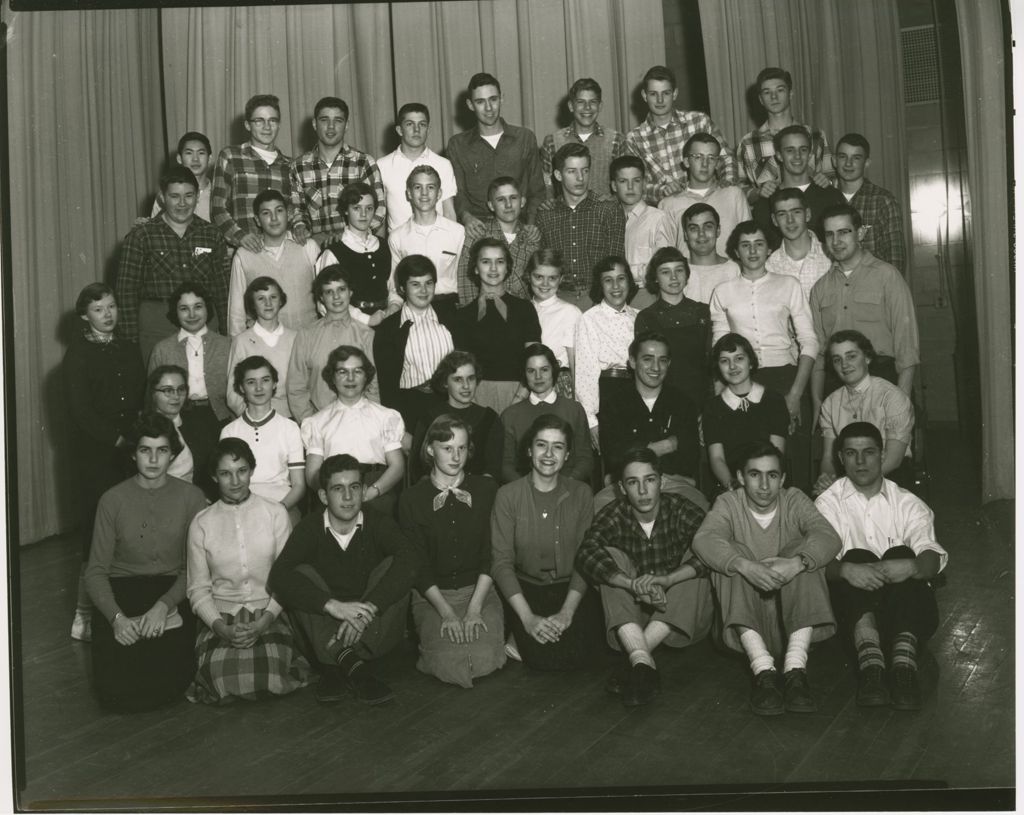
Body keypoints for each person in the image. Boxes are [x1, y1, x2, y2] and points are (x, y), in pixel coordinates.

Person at [693, 441, 841, 716]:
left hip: (794, 627)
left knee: (805, 551)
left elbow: (829, 537)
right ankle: (764, 673)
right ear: (739, 477)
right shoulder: (728, 502)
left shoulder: (794, 499)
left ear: (782, 479)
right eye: (754, 474)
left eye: (772, 475)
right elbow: (703, 540)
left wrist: (796, 563)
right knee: (730, 554)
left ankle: (796, 671)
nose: (764, 485)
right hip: (744, 628)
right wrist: (744, 565)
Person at [816, 422, 946, 710]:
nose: (860, 461)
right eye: (851, 453)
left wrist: (911, 566)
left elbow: (932, 559)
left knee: (902, 552)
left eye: (869, 452)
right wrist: (845, 570)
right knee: (855, 557)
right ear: (840, 458)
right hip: (853, 616)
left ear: (882, 454)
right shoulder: (827, 504)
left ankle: (903, 667)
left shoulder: (908, 503)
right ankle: (871, 669)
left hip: (904, 612)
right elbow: (816, 563)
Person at [268, 454, 417, 706]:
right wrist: (333, 606)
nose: (348, 497)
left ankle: (336, 663)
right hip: (326, 624)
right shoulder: (309, 527)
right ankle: (355, 668)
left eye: (354, 487)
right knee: (299, 574)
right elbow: (279, 577)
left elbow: (410, 561)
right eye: (338, 489)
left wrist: (368, 608)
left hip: (370, 630)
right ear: (324, 496)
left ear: (363, 491)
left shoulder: (378, 522)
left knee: (396, 565)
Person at [84, 413, 208, 712]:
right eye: (145, 450)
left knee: (169, 685)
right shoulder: (112, 500)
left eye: (162, 450)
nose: (153, 459)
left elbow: (192, 567)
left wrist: (163, 606)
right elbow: (95, 572)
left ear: (172, 454)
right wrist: (117, 619)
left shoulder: (192, 497)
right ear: (132, 453)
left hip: (172, 592)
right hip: (122, 591)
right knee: (115, 693)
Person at [575, 448, 713, 707]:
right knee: (609, 559)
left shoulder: (681, 508)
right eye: (633, 482)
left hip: (682, 617)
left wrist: (670, 580)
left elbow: (716, 548)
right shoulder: (614, 513)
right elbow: (587, 553)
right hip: (633, 615)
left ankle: (636, 658)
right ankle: (642, 664)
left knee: (697, 558)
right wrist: (629, 583)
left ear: (661, 481)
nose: (642, 490)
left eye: (649, 480)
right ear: (621, 488)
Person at [185, 438, 309, 704]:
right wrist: (220, 629)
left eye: (242, 470)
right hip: (220, 616)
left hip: (269, 613)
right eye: (225, 473)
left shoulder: (275, 514)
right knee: (220, 677)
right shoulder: (201, 523)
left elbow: (286, 580)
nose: (235, 480)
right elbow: (197, 589)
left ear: (252, 470)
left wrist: (263, 622)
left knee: (271, 674)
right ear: (213, 476)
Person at [64, 283, 147, 642]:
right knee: (98, 531)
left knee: (131, 527)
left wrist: (136, 439)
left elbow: (141, 393)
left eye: (111, 307)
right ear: (85, 315)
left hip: (130, 447)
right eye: (99, 309)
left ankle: (129, 604)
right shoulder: (77, 354)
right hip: (97, 452)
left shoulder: (128, 346)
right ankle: (84, 614)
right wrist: (117, 440)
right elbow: (81, 412)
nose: (108, 314)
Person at [711, 221, 818, 491]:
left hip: (785, 377)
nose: (753, 251)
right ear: (736, 251)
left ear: (769, 248)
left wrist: (795, 395)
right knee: (751, 461)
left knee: (791, 457)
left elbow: (809, 341)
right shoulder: (723, 291)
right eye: (745, 245)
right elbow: (720, 347)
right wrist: (719, 395)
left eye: (759, 244)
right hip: (743, 380)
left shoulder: (788, 285)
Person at [399, 416, 505, 688]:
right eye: (447, 448)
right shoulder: (411, 499)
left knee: (482, 660)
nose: (456, 456)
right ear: (430, 449)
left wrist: (474, 609)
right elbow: (417, 565)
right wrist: (446, 613)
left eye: (462, 448)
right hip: (433, 595)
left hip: (480, 591)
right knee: (450, 664)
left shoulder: (487, 489)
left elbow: (492, 554)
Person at [491, 415, 605, 670]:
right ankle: (519, 634)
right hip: (525, 591)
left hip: (570, 590)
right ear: (529, 450)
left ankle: (520, 640)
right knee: (545, 660)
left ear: (567, 455)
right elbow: (501, 563)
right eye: (542, 445)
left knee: (585, 657)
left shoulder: (582, 493)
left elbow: (586, 558)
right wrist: (528, 618)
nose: (548, 454)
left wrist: (567, 613)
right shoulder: (507, 495)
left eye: (558, 446)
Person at [116, 165, 229, 359]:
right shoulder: (142, 236)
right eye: (175, 196)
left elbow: (222, 290)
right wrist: (130, 340)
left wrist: (227, 332)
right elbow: (126, 291)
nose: (182, 203)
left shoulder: (213, 235)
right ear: (162, 197)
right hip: (157, 328)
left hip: (204, 326)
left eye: (189, 196)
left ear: (198, 197)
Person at [810, 204, 919, 402]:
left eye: (844, 232)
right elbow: (818, 354)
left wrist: (901, 401)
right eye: (829, 234)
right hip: (837, 386)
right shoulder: (820, 288)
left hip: (882, 378)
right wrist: (818, 403)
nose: (836, 241)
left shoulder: (887, 276)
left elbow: (907, 347)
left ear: (860, 233)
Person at [596, 332, 703, 513]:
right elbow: (614, 456)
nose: (656, 367)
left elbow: (690, 456)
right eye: (647, 359)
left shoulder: (684, 403)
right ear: (632, 361)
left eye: (662, 360)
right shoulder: (614, 404)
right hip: (628, 484)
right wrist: (668, 444)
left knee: (702, 511)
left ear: (668, 363)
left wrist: (636, 450)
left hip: (674, 484)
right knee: (597, 508)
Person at [300, 345, 405, 516]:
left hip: (375, 488)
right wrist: (333, 495)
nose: (350, 378)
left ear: (366, 377)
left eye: (357, 371)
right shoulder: (317, 422)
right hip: (334, 490)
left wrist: (372, 491)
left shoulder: (385, 417)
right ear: (332, 378)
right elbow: (312, 473)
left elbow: (397, 465)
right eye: (342, 372)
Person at [814, 331, 915, 495]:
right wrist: (827, 479)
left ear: (867, 358)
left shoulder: (893, 397)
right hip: (849, 473)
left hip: (890, 474)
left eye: (851, 356)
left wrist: (850, 485)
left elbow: (894, 460)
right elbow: (828, 458)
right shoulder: (830, 403)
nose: (844, 365)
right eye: (837, 360)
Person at [447, 72, 545, 238]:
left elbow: (537, 190)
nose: (488, 108)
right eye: (480, 102)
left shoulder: (524, 138)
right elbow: (458, 192)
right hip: (478, 230)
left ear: (502, 99)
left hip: (519, 228)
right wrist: (466, 217)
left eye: (493, 99)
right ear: (470, 105)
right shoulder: (458, 144)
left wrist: (531, 224)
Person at [451, 237, 542, 414]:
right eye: (486, 262)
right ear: (476, 268)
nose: (493, 268)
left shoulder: (524, 309)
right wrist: (473, 403)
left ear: (507, 267)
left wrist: (519, 399)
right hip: (476, 396)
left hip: (519, 393)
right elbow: (462, 367)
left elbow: (534, 358)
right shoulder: (463, 315)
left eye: (499, 262)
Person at [625, 65, 738, 203]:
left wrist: (727, 183)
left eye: (666, 93)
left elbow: (725, 157)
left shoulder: (699, 121)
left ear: (675, 93)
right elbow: (635, 184)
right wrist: (662, 191)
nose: (660, 100)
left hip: (710, 200)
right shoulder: (635, 139)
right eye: (653, 94)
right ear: (644, 96)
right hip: (668, 211)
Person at [535, 143, 626, 311]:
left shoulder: (608, 209)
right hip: (559, 299)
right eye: (572, 171)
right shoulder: (546, 215)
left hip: (598, 299)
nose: (580, 178)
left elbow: (616, 264)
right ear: (558, 175)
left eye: (585, 170)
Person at [373, 254, 454, 435]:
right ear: (402, 288)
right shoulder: (388, 329)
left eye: (429, 283)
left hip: (449, 405)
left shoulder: (451, 318)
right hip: (411, 411)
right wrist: (400, 432)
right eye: (415, 284)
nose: (424, 290)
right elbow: (387, 388)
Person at [288, 96, 386, 244]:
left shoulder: (363, 163)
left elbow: (379, 210)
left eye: (338, 121)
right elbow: (298, 210)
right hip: (315, 247)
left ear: (346, 125)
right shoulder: (298, 167)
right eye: (324, 120)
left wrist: (350, 238)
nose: (331, 126)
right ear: (315, 124)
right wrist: (301, 228)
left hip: (356, 246)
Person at [286, 264, 379, 422]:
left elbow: (373, 386)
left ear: (350, 292)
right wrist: (310, 424)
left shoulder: (367, 335)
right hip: (319, 422)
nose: (336, 297)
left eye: (341, 289)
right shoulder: (306, 335)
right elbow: (296, 387)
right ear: (321, 297)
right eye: (329, 292)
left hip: (360, 421)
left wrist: (370, 422)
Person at [220, 357, 305, 525]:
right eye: (251, 382)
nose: (259, 388)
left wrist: (279, 510)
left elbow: (299, 485)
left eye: (265, 380)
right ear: (241, 388)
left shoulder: (290, 428)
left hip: (282, 505)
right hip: (241, 506)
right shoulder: (229, 431)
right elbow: (226, 484)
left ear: (274, 384)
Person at [702, 333, 789, 494]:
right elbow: (717, 458)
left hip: (769, 481)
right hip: (732, 486)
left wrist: (759, 485)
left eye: (739, 358)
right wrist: (733, 485)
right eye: (724, 361)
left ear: (750, 362)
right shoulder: (713, 407)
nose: (732, 366)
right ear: (718, 367)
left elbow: (777, 452)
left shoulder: (773, 400)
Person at [226, 190, 318, 336]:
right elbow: (236, 313)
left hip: (308, 340)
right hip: (265, 346)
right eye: (266, 213)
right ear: (257, 220)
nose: (274, 218)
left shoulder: (307, 247)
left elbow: (324, 296)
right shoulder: (244, 255)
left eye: (279, 210)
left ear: (288, 213)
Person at [149, 283, 233, 442]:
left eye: (198, 307)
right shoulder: (162, 349)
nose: (192, 314)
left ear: (207, 308)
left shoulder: (227, 345)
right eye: (184, 309)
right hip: (176, 420)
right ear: (175, 312)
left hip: (220, 418)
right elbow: (152, 397)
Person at [498, 343, 593, 485]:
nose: (538, 376)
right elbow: (506, 465)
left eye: (544, 370)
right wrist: (527, 488)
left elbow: (585, 459)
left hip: (567, 490)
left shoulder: (574, 410)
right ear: (524, 374)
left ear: (554, 371)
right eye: (531, 371)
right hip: (525, 492)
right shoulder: (510, 415)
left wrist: (566, 484)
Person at [737, 67, 833, 202]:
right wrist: (758, 192)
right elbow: (739, 190)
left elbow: (832, 178)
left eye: (780, 90)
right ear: (760, 99)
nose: (774, 97)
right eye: (767, 92)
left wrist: (827, 181)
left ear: (791, 93)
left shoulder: (815, 135)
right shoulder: (748, 142)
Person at [211, 94, 292, 253]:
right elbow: (218, 208)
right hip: (243, 251)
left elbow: (294, 211)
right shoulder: (231, 156)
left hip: (282, 251)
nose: (267, 127)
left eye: (272, 121)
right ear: (248, 125)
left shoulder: (290, 166)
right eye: (259, 121)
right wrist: (240, 236)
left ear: (279, 124)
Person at [573, 255, 639, 448]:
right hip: (609, 393)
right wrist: (592, 421)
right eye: (608, 281)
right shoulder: (590, 319)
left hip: (639, 389)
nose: (616, 286)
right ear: (600, 286)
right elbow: (586, 373)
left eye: (621, 278)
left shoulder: (641, 316)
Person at [386, 165, 465, 324]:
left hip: (449, 307)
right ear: (409, 193)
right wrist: (393, 310)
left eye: (430, 187)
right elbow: (394, 285)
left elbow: (463, 278)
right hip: (412, 310)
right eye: (417, 187)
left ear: (439, 194)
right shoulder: (397, 237)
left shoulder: (457, 232)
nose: (424, 193)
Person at [634, 247, 712, 405]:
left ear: (687, 274)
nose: (674, 277)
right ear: (655, 277)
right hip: (662, 402)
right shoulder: (646, 317)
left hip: (701, 400)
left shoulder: (703, 312)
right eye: (665, 272)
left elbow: (711, 363)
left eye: (679, 270)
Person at [411, 350, 503, 482]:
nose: (466, 386)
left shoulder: (490, 418)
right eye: (458, 379)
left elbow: (493, 470)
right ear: (445, 383)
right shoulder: (429, 418)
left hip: (479, 493)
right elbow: (418, 469)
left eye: (470, 378)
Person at [658, 133, 750, 258]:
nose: (705, 164)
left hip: (731, 273)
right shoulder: (669, 203)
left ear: (718, 163)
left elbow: (749, 240)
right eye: (698, 157)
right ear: (686, 162)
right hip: (689, 275)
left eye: (711, 158)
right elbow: (665, 253)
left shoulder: (733, 195)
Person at [316, 182, 394, 327]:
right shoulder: (333, 252)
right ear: (346, 210)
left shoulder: (383, 245)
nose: (364, 214)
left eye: (369, 208)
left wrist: (394, 306)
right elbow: (325, 302)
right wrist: (367, 320)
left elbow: (392, 284)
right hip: (350, 326)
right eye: (356, 208)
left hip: (385, 321)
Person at [455, 177, 541, 305]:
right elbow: (466, 282)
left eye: (513, 198)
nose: (508, 205)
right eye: (501, 199)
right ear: (491, 205)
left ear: (522, 201)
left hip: (521, 313)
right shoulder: (477, 235)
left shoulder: (531, 239)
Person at [751, 126, 844, 243]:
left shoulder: (831, 196)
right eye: (790, 150)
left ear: (810, 154)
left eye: (803, 149)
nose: (797, 156)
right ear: (779, 156)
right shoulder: (767, 201)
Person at [541, 77, 626, 201]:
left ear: (600, 106)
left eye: (593, 102)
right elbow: (546, 186)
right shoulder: (552, 142)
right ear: (571, 106)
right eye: (581, 102)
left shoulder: (616, 140)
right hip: (565, 217)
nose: (587, 108)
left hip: (604, 216)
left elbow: (624, 183)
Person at [609, 155, 677, 309]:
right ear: (614, 186)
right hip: (614, 295)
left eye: (636, 181)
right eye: (623, 181)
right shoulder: (609, 219)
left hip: (647, 295)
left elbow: (664, 265)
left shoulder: (658, 218)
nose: (630, 187)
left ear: (645, 183)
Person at [833, 133, 907, 274]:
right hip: (836, 289)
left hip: (874, 289)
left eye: (856, 158)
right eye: (843, 157)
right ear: (834, 161)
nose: (848, 164)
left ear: (867, 163)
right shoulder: (827, 199)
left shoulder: (883, 200)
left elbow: (896, 258)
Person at [377, 102, 458, 230]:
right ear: (399, 130)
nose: (416, 130)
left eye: (422, 124)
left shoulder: (443, 164)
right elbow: (379, 215)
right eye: (410, 124)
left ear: (428, 129)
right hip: (398, 246)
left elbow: (449, 212)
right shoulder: (382, 166)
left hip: (436, 242)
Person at [225, 276, 297, 418]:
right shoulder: (241, 341)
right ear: (252, 304)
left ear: (281, 300)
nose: (268, 303)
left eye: (273, 297)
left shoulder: (296, 338)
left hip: (291, 417)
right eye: (261, 299)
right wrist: (252, 420)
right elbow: (233, 394)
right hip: (255, 418)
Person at [525, 249, 582, 398]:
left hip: (558, 385)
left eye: (552, 278)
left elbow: (577, 364)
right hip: (526, 383)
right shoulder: (521, 310)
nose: (545, 284)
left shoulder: (570, 312)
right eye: (538, 277)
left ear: (561, 279)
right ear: (529, 276)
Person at [146, 365, 208, 491]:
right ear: (153, 393)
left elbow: (207, 474)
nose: (176, 396)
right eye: (167, 390)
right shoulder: (143, 429)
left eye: (181, 389)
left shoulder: (198, 424)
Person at [764, 187, 832, 300]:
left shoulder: (830, 256)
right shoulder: (770, 267)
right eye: (782, 214)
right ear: (774, 220)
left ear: (808, 214)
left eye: (796, 212)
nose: (790, 220)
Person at [679, 203, 740, 304]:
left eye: (708, 227)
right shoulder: (678, 271)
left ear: (718, 230)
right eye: (694, 228)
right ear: (686, 234)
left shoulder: (733, 270)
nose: (701, 234)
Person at [150, 132, 214, 223]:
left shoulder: (219, 195)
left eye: (201, 153)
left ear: (210, 159)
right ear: (179, 159)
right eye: (189, 153)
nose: (195, 159)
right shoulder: (166, 195)